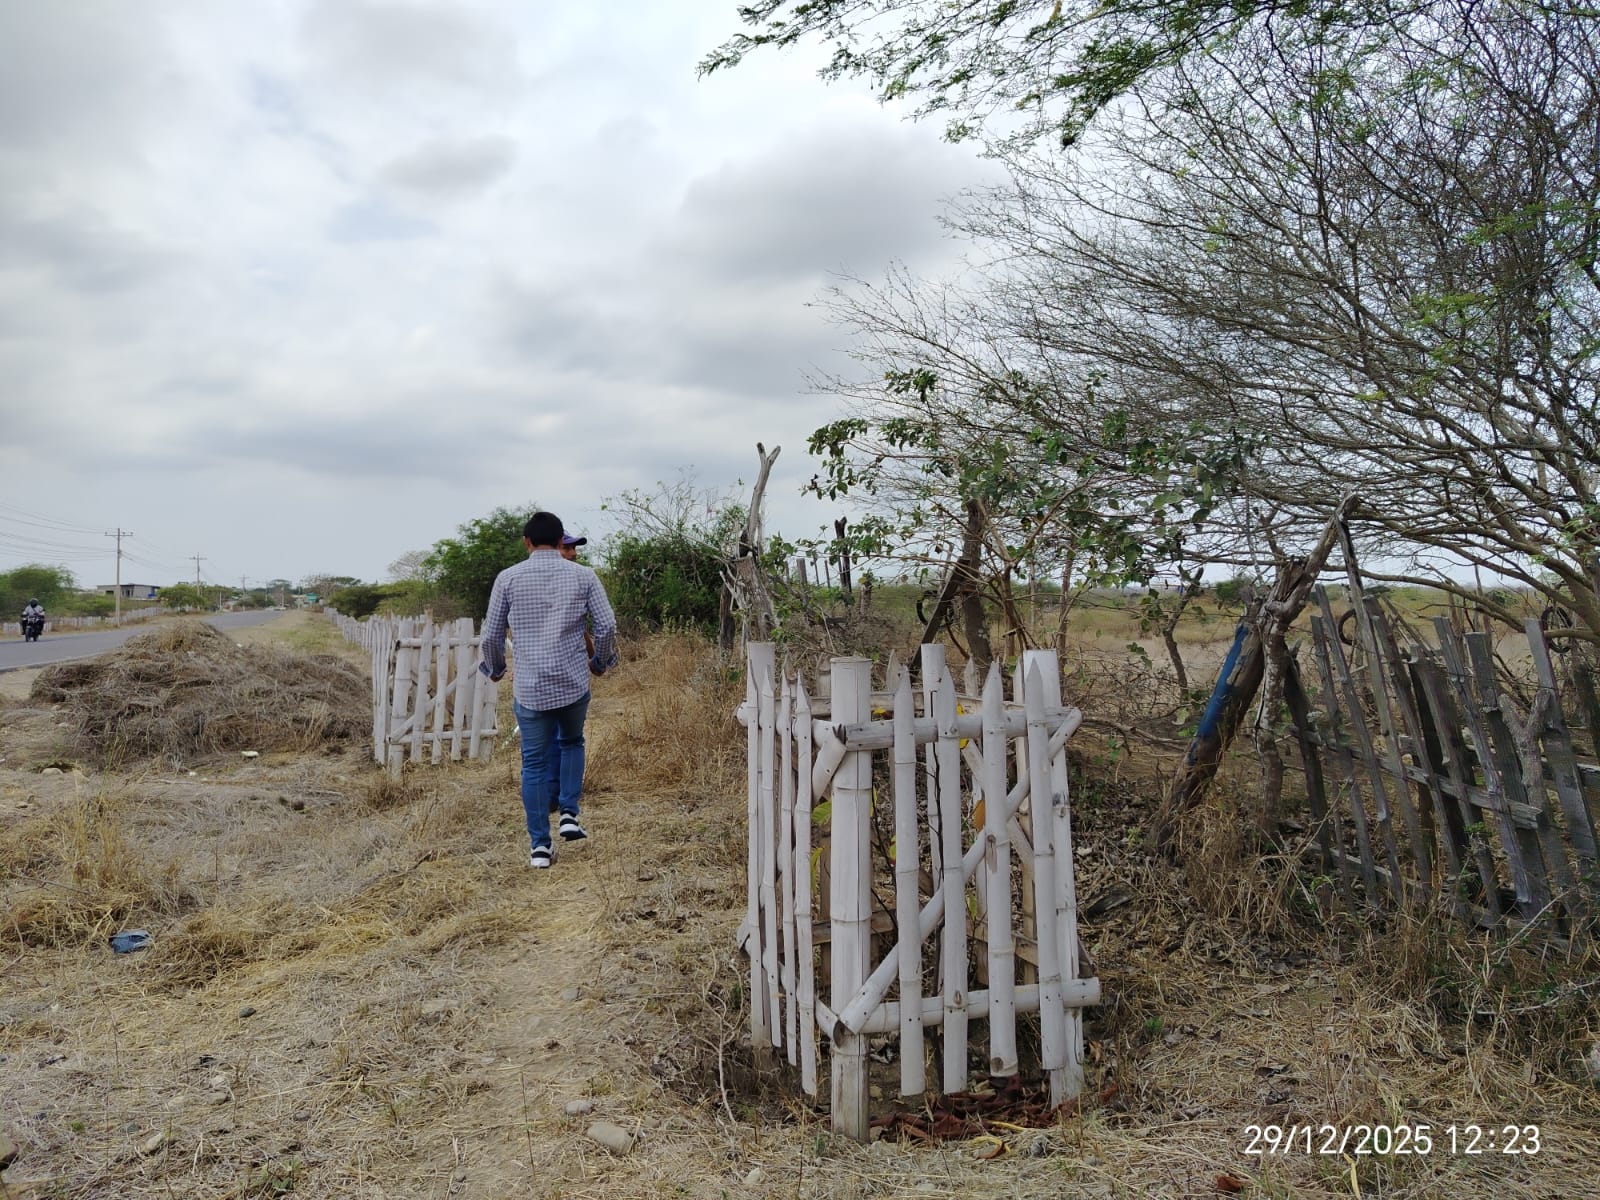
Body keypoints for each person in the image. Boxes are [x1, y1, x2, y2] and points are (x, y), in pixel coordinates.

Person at [479, 513, 618, 869]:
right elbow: (606, 625)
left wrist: (495, 669)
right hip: (572, 683)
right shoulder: (584, 576)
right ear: (560, 542)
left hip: (530, 688)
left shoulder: (508, 578)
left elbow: (491, 635)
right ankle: (569, 812)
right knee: (572, 743)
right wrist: (600, 662)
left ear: (526, 541)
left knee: (534, 764)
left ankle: (540, 847)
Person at [547, 534, 597, 812]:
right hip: (550, 670)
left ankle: (556, 796)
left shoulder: (578, 579)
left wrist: (592, 655)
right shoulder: (543, 581)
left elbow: (580, 626)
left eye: (574, 548)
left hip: (569, 672)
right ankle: (557, 796)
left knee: (563, 736)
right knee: (561, 738)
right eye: (566, 548)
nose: (573, 553)